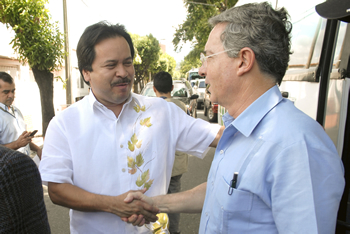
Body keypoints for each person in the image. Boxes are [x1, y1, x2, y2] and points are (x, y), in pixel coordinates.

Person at [123, 2, 345, 233]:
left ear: (243, 61)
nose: (201, 70)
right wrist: (156, 203)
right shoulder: (239, 130)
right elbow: (222, 191)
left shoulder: (297, 146)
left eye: (209, 57)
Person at [38, 21, 222, 233]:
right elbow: (58, 190)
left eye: (127, 63)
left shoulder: (161, 112)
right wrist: (112, 205)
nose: (123, 72)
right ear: (86, 73)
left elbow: (218, 136)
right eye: (111, 65)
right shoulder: (64, 124)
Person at [153, 71, 189, 234]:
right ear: (172, 88)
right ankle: (174, 231)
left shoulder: (151, 108)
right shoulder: (181, 107)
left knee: (157, 200)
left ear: (154, 89)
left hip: (157, 165)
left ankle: (158, 230)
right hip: (176, 165)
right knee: (174, 200)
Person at [0, 145, 50, 233]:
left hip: (20, 171)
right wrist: (17, 143)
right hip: (12, 171)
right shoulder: (9, 164)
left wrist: (37, 148)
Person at [0, 72, 42, 159]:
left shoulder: (16, 111)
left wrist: (37, 149)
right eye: (6, 92)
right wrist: (16, 144)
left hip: (23, 164)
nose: (11, 95)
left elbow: (22, 141)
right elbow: (18, 143)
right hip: (7, 169)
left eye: (13, 91)